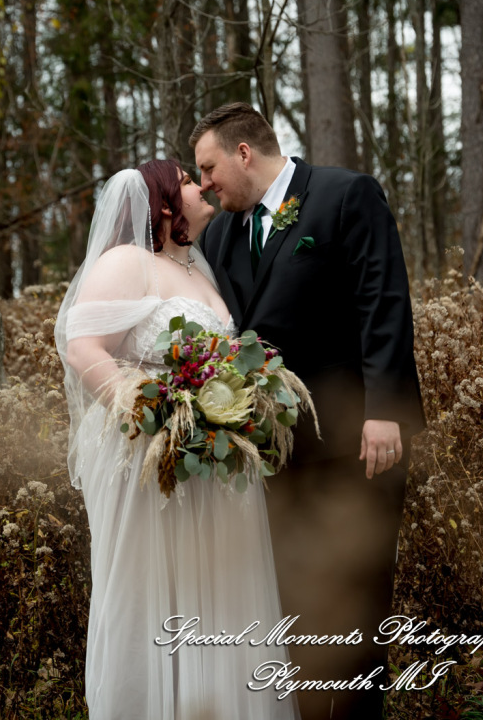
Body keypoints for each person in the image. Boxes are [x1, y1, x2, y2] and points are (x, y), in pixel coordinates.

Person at [191, 103, 426, 720]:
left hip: (356, 441)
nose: (207, 185)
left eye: (209, 168)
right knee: (289, 594)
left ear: (244, 153)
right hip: (272, 452)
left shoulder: (346, 195)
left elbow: (385, 300)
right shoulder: (220, 235)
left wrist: (384, 410)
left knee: (355, 588)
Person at [55, 160, 300, 720]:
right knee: (154, 589)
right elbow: (83, 345)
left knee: (219, 592)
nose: (202, 186)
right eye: (189, 180)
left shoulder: (196, 267)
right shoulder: (126, 261)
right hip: (150, 454)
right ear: (164, 201)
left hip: (211, 460)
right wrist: (154, 412)